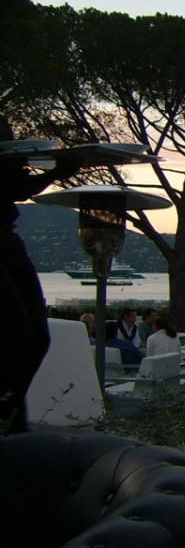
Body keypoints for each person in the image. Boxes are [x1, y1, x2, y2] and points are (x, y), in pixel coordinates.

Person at [0, 116, 81, 433]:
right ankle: (9, 414)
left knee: (37, 337)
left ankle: (10, 410)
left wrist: (57, 172)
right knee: (17, 334)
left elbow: (17, 189)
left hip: (9, 241)